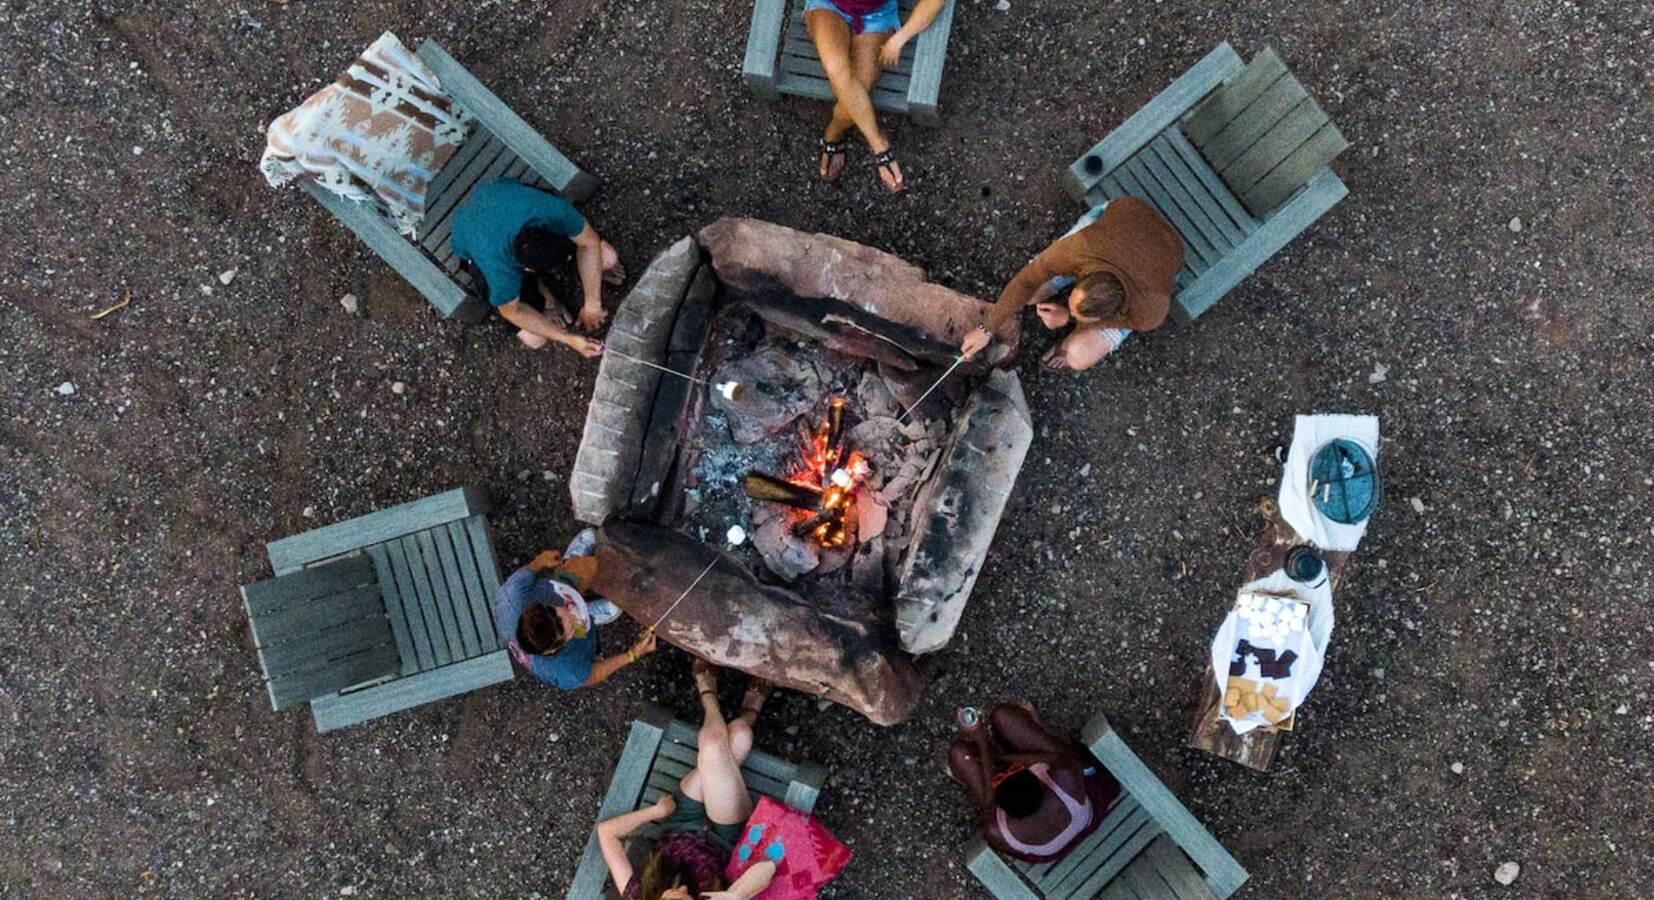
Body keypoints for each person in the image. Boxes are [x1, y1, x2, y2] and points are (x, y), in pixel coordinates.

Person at [596, 660, 776, 899]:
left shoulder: (636, 896)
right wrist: (734, 895)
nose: (682, 887)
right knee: (738, 738)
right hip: (725, 835)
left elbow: (606, 833)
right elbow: (769, 866)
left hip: (681, 816)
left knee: (721, 744)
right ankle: (715, 694)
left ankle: (716, 699)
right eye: (688, 897)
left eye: (671, 894)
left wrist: (654, 813)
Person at [960, 197, 1184, 370]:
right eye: (1072, 298)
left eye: (1083, 316)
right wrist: (986, 329)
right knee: (1029, 294)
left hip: (1168, 256)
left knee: (1078, 357)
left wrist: (1068, 319)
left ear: (1113, 313)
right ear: (1084, 277)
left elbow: (1109, 322)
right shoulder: (1080, 249)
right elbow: (1026, 279)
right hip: (1127, 215)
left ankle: (1068, 338)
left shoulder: (1149, 312)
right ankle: (1062, 281)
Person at [448, 178, 626, 356]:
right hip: (472, 240)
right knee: (535, 339)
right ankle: (545, 296)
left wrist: (592, 305)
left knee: (608, 258)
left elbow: (589, 243)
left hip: (498, 195)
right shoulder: (499, 271)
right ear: (526, 270)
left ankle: (549, 293)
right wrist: (569, 339)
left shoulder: (553, 211)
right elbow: (513, 311)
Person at [946, 704, 1121, 864]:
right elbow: (1061, 756)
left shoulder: (995, 829)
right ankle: (1005, 749)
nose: (1006, 771)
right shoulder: (1064, 777)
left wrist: (984, 745)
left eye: (1000, 777)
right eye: (1013, 770)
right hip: (1078, 809)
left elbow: (987, 804)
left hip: (1056, 835)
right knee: (1003, 717)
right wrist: (1000, 759)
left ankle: (992, 755)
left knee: (959, 754)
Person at [805, 0, 948, 192]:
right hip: (828, 7)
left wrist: (900, 38)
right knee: (835, 68)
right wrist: (879, 147)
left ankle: (834, 132)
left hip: (877, 16)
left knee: (853, 98)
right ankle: (879, 145)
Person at [494, 528, 657, 690]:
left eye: (556, 611)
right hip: (579, 636)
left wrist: (541, 561)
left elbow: (527, 571)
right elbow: (594, 673)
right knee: (582, 623)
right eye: (569, 627)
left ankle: (571, 565)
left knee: (582, 568)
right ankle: (590, 616)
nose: (571, 615)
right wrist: (632, 654)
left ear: (538, 607)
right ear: (554, 650)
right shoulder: (568, 671)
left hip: (560, 590)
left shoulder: (512, 597)